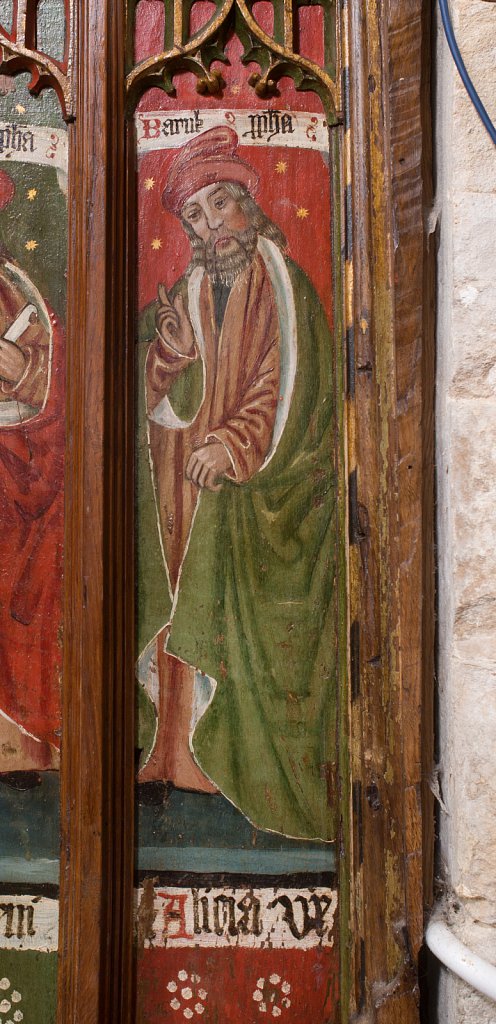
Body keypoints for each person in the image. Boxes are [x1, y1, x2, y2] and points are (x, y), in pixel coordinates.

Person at [136, 126, 337, 841]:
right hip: (199, 488)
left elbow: (287, 382)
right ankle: (184, 760)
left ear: (249, 206)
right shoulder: (193, 290)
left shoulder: (284, 283)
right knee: (184, 584)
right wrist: (166, 356)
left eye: (221, 206)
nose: (210, 226)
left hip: (271, 492)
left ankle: (241, 768)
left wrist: (234, 446)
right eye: (196, 216)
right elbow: (165, 386)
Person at [0, 183, 65, 786]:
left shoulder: (18, 289)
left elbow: (59, 373)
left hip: (20, 466)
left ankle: (21, 748)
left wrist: (25, 376)